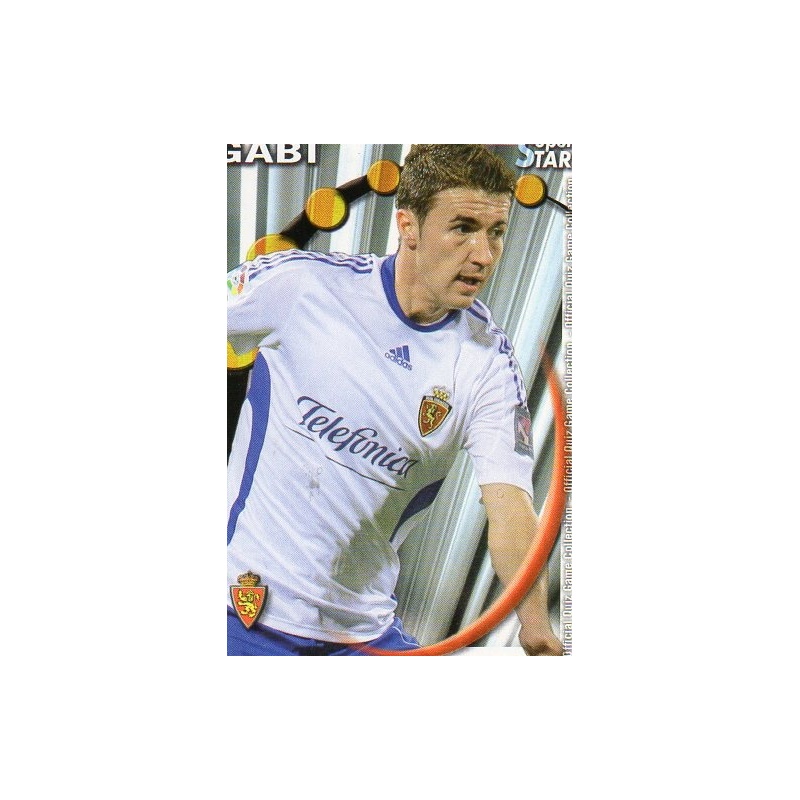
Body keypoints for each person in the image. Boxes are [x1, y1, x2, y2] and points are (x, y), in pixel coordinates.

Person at [226, 144, 563, 656]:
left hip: (361, 634)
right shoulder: (302, 286)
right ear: (408, 226)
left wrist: (537, 630)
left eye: (496, 232)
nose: (484, 255)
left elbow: (511, 508)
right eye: (463, 228)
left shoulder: (488, 364)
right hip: (241, 610)